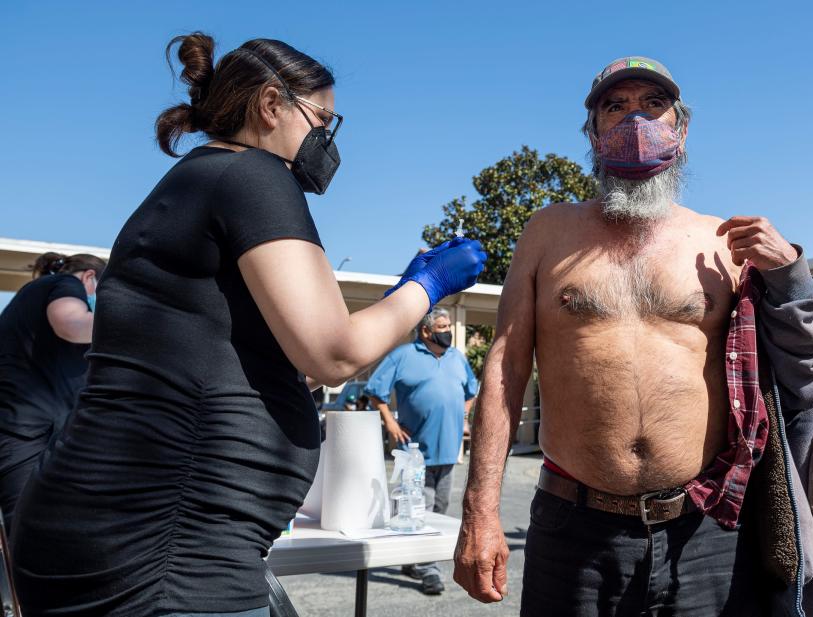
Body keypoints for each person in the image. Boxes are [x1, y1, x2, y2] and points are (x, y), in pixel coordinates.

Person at [12, 33, 486, 617]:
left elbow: (255, 362)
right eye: (323, 121)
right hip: (166, 552)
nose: (328, 142)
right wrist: (428, 286)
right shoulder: (255, 177)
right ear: (269, 105)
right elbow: (334, 355)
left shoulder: (197, 183)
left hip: (130, 535)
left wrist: (392, 301)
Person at [453, 57, 813, 616]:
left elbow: (805, 365)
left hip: (705, 527)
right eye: (616, 108)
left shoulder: (722, 241)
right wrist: (480, 511)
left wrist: (791, 274)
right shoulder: (547, 232)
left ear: (681, 130)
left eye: (652, 106)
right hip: (574, 527)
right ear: (592, 133)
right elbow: (504, 369)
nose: (635, 122)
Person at [365, 307, 478, 595]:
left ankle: (413, 559)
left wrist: (463, 416)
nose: (447, 330)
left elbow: (472, 391)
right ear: (426, 331)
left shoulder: (456, 358)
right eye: (442, 325)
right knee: (421, 509)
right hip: (414, 452)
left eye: (448, 324)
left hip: (448, 449)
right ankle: (428, 570)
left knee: (439, 508)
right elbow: (375, 390)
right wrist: (389, 421)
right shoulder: (403, 356)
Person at [0, 252, 105, 530]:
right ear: (89, 277)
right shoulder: (65, 285)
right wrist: (131, 323)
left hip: (25, 428)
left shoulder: (30, 298)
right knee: (29, 532)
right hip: (29, 431)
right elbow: (70, 324)